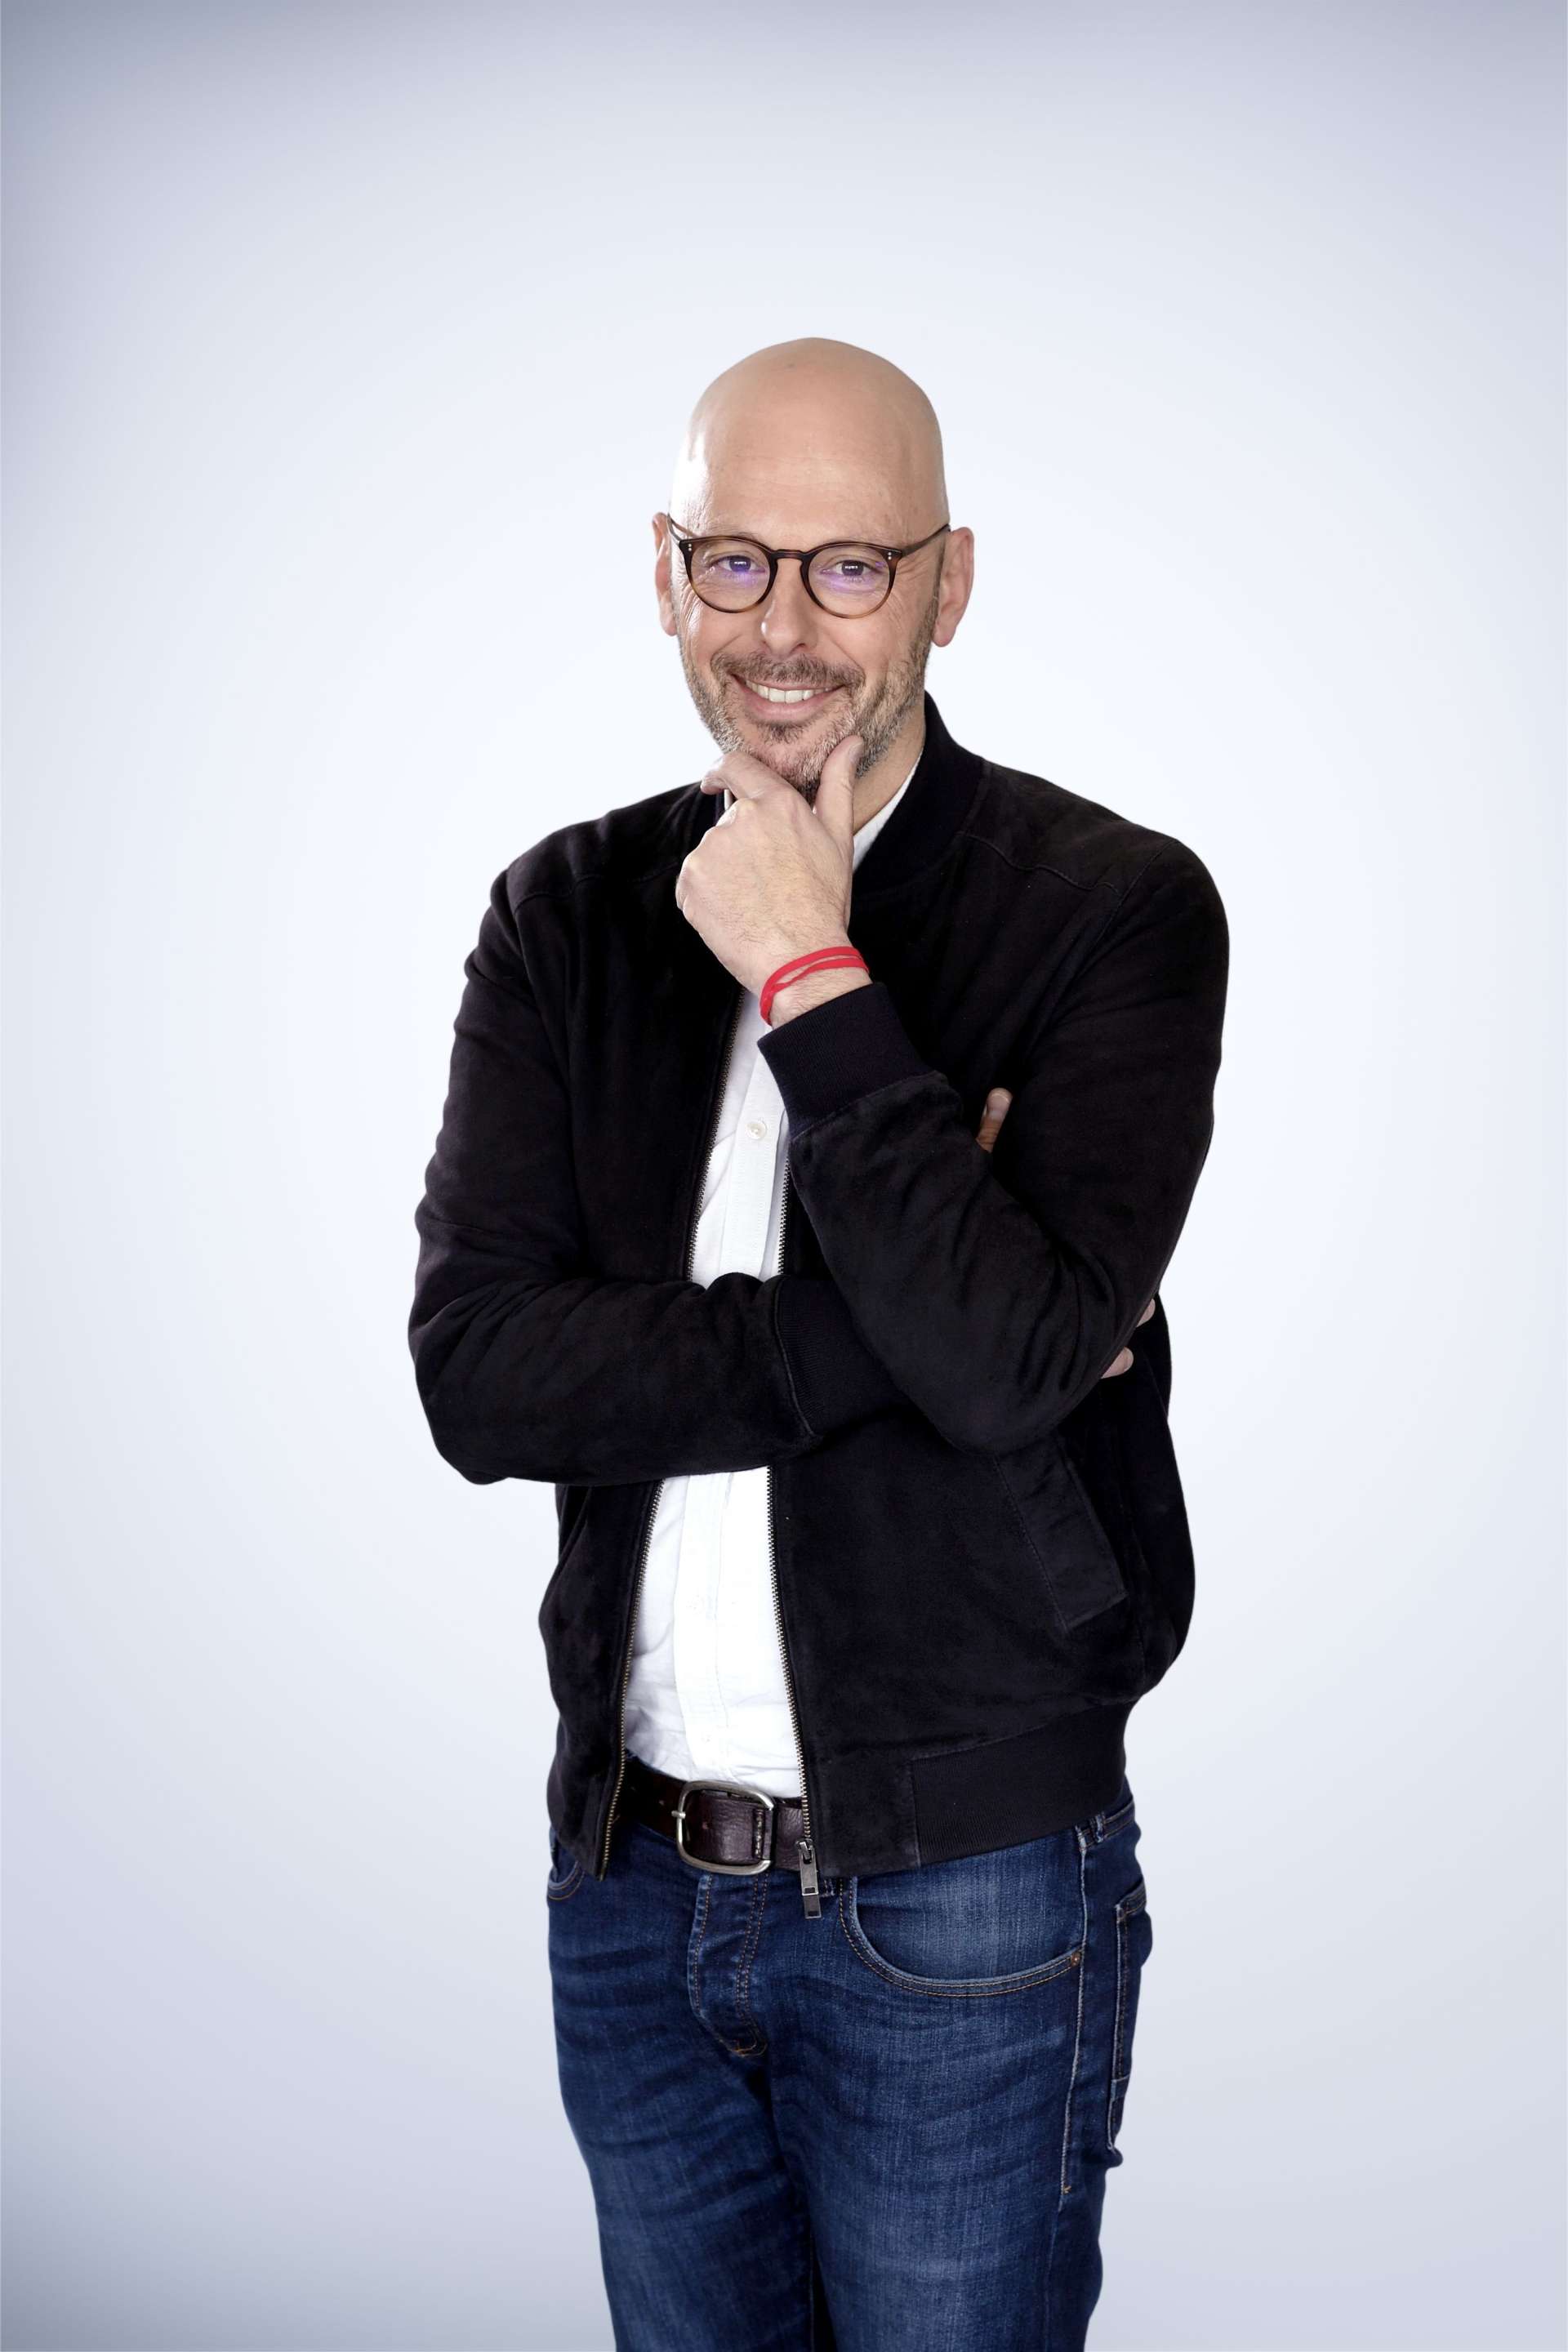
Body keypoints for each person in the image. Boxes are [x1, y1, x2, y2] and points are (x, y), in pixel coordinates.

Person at [408, 335, 1229, 2350]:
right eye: (737, 561)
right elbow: (482, 1377)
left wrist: (809, 968)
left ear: (952, 583)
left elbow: (1006, 1374)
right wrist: (921, 1315)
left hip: (967, 1895)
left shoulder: (1112, 912)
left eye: (851, 567)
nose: (784, 629)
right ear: (666, 568)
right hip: (629, 1879)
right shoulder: (566, 912)